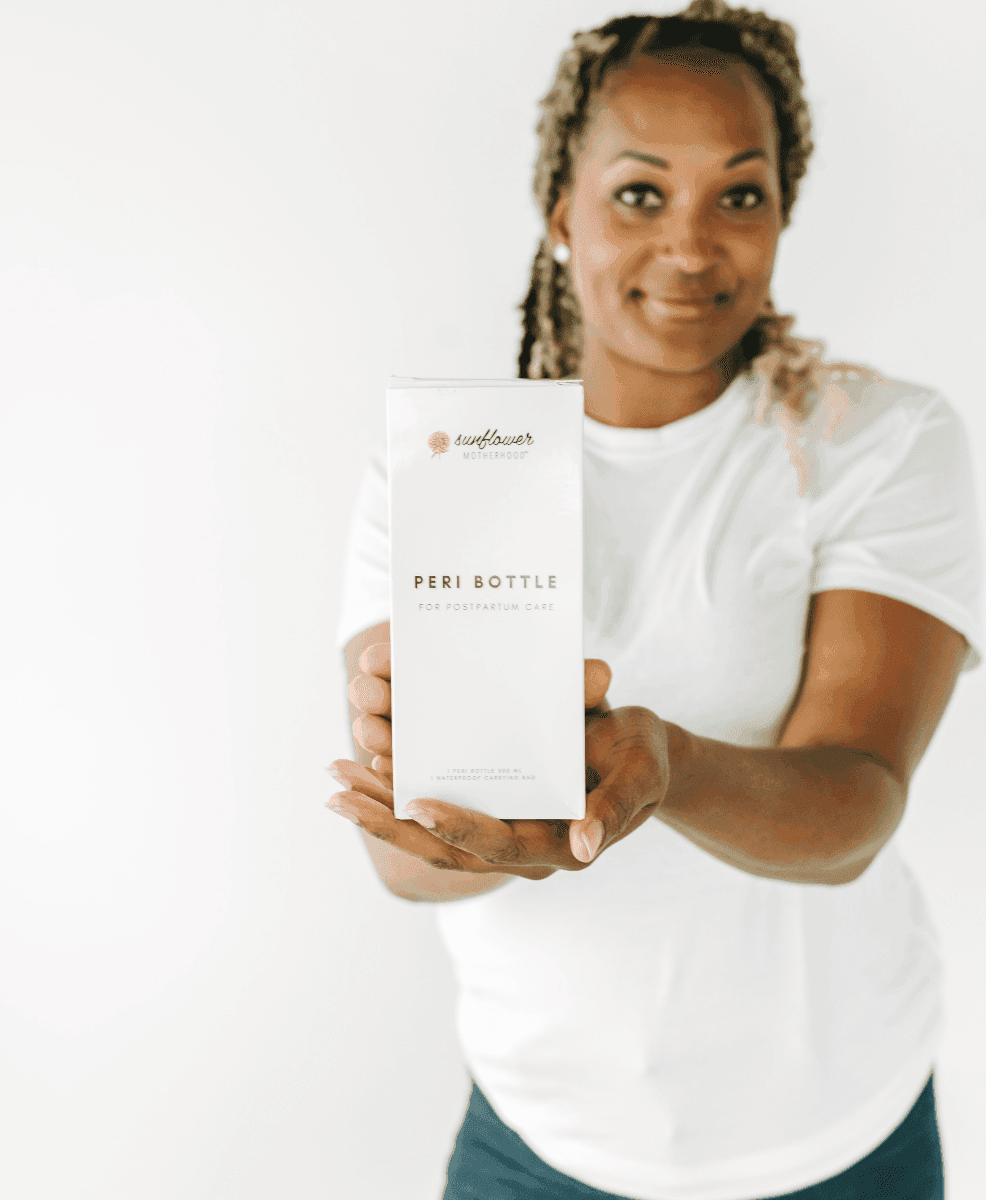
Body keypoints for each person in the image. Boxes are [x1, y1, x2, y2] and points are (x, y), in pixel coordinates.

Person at [328, 3, 982, 1197]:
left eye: (739, 194)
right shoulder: (452, 470)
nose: (689, 245)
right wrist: (463, 823)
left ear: (781, 212)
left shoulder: (873, 441)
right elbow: (409, 868)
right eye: (639, 193)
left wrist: (667, 768)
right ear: (559, 211)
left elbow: (856, 801)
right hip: (540, 1143)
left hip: (839, 1136)